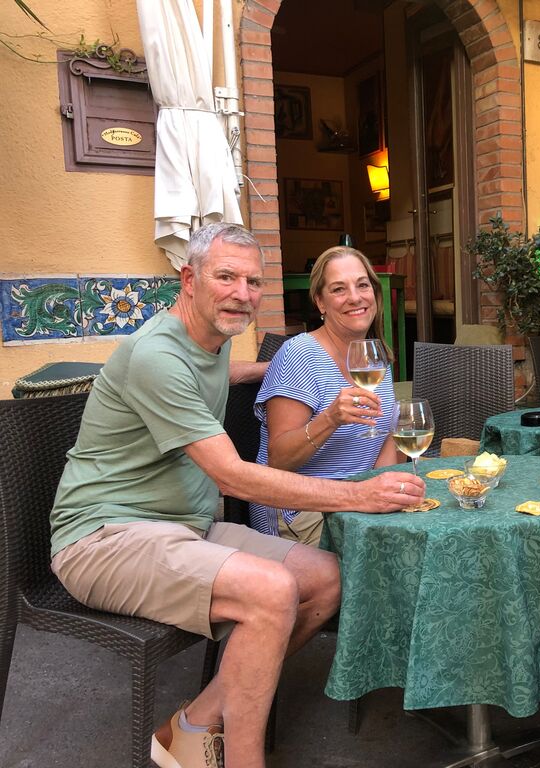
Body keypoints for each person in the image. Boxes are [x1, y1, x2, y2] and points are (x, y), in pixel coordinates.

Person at [48, 223, 425, 768]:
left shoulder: (209, 345)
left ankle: (193, 725)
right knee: (272, 590)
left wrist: (272, 367)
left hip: (186, 527)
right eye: (226, 276)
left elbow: (220, 372)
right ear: (189, 279)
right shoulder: (158, 355)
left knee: (325, 580)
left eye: (253, 281)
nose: (242, 293)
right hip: (105, 536)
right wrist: (361, 496)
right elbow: (234, 476)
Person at [251, 246, 400, 544]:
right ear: (320, 301)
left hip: (358, 501)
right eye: (338, 289)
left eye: (362, 285)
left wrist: (389, 495)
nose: (355, 297)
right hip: (301, 510)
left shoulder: (376, 356)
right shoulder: (300, 354)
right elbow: (278, 459)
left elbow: (384, 438)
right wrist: (331, 418)